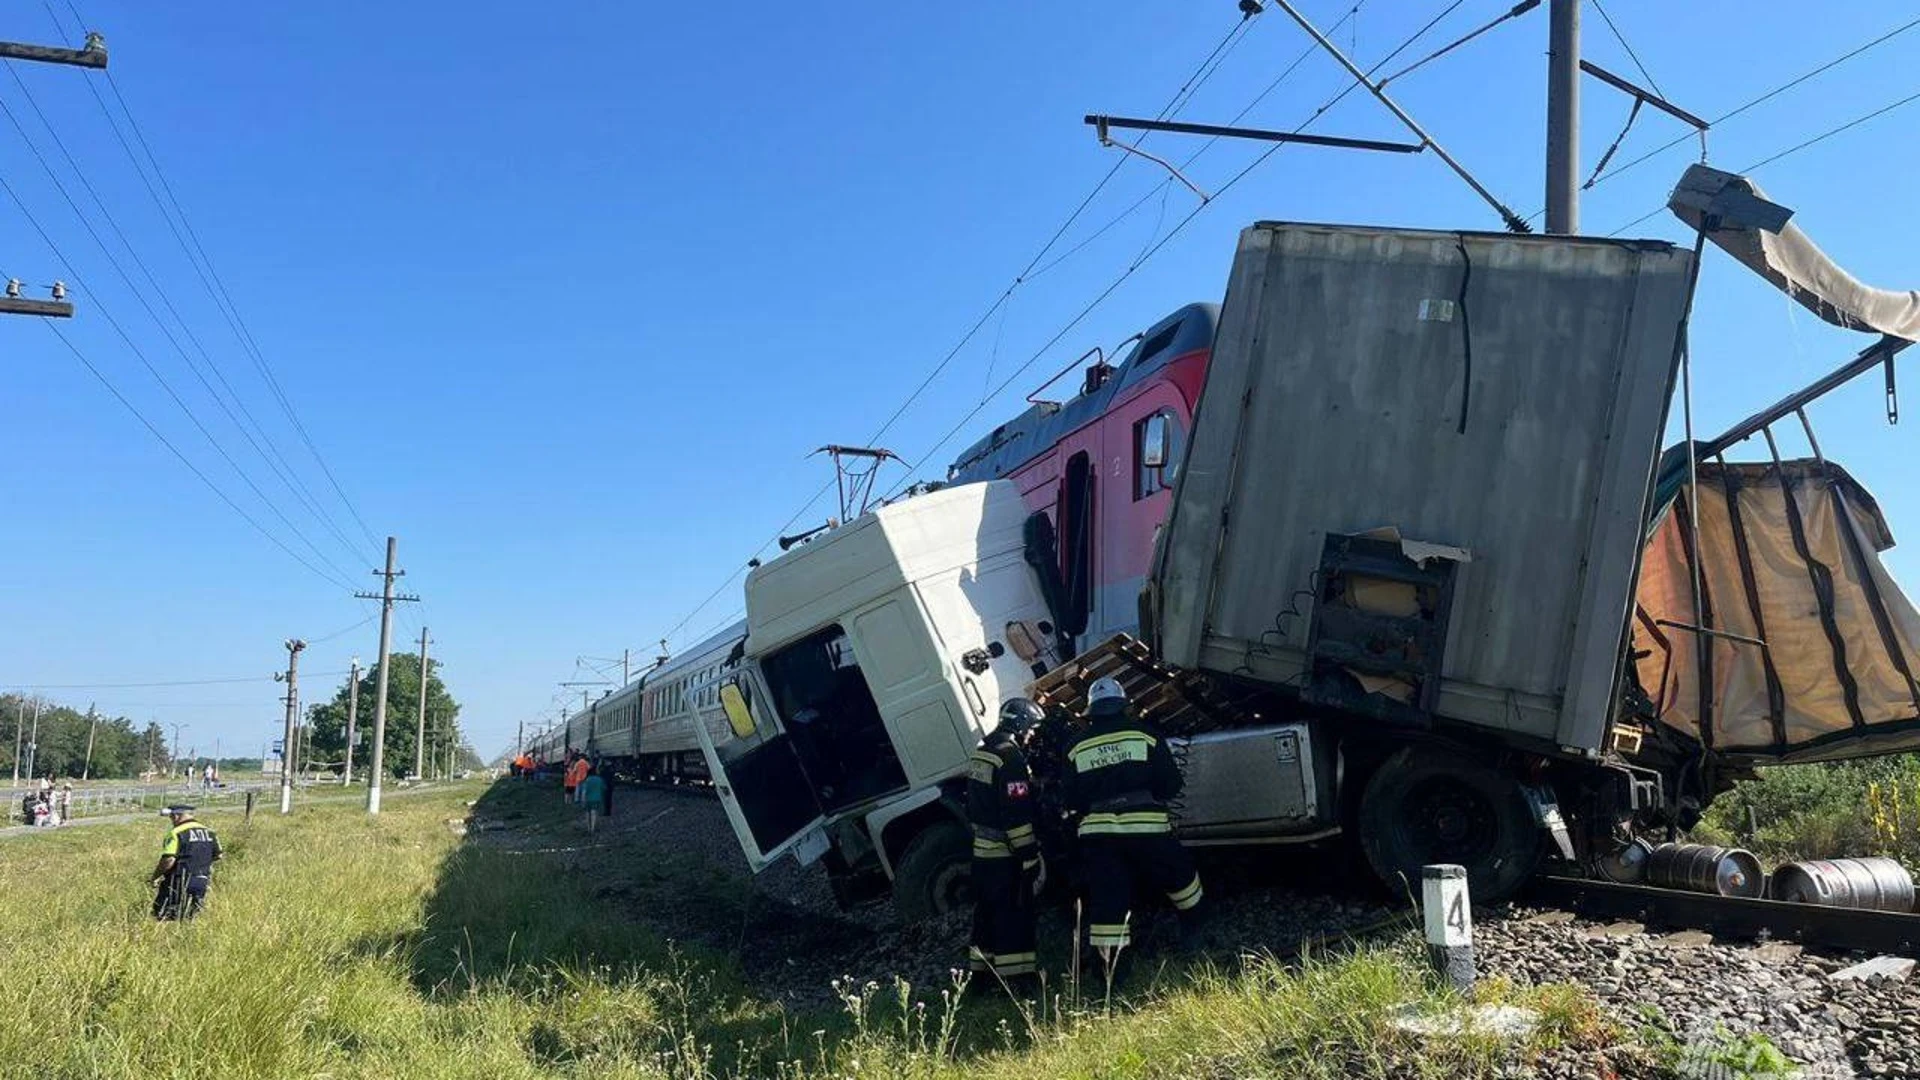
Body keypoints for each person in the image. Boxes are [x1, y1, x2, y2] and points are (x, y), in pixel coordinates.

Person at [1063, 676, 1203, 973]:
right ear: (1122, 706)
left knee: (1108, 897)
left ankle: (1111, 970)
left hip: (1099, 836)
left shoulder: (1075, 747)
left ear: (1092, 712)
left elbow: (1071, 798)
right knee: (1179, 875)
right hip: (1147, 830)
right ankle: (1194, 932)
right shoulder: (1146, 736)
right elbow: (1171, 786)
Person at [966, 697, 1044, 989]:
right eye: (1032, 729)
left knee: (985, 914)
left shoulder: (982, 752)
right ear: (1021, 725)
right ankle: (1019, 979)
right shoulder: (1010, 758)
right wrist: (1029, 855)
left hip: (981, 853)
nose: (1033, 736)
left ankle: (981, 977)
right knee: (1013, 913)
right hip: (1004, 855)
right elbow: (1015, 816)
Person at [151, 805, 222, 921]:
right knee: (191, 916)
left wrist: (155, 876)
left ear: (176, 816)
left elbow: (169, 860)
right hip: (202, 880)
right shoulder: (209, 832)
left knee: (162, 915)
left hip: (178, 881)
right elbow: (218, 855)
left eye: (171, 817)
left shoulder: (176, 833)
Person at [578, 768, 607, 832]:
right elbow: (604, 789)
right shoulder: (600, 779)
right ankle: (593, 828)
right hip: (597, 798)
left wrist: (582, 800)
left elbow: (584, 791)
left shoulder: (587, 780)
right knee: (594, 813)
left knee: (587, 813)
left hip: (588, 799)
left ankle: (588, 827)